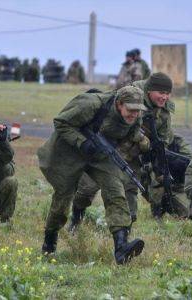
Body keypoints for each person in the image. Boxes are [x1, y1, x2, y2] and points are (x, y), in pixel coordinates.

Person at [37, 86, 147, 264]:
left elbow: (131, 134)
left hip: (100, 154)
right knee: (63, 199)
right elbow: (60, 122)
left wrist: (140, 144)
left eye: (138, 110)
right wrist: (82, 142)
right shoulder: (91, 104)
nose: (134, 114)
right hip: (71, 151)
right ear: (119, 104)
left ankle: (121, 247)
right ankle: (49, 243)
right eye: (130, 109)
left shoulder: (135, 118)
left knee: (115, 190)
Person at [131, 73, 192, 219]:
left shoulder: (165, 107)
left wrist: (166, 155)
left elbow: (165, 137)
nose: (164, 97)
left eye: (167, 93)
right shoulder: (133, 98)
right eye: (161, 93)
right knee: (153, 177)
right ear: (149, 91)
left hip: (163, 143)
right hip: (138, 148)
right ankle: (158, 208)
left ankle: (184, 193)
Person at [69, 128, 150, 230]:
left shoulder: (139, 121)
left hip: (127, 164)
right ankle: (75, 221)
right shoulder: (108, 117)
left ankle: (123, 234)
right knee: (84, 193)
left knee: (129, 197)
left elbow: (147, 146)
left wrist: (142, 139)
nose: (133, 114)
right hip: (100, 160)